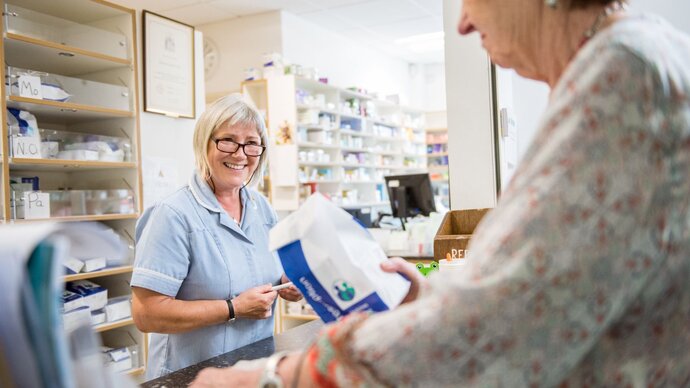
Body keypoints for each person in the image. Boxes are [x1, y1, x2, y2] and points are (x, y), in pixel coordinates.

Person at [191, 0, 690, 386]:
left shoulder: (621, 74)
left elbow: (500, 330)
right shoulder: (641, 53)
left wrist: (285, 376)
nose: (464, 24)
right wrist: (428, 295)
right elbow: (560, 284)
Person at [130, 94, 302, 379]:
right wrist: (233, 308)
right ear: (204, 143)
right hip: (190, 376)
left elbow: (269, 273)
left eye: (251, 143)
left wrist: (286, 285)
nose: (240, 154)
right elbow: (146, 313)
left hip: (250, 371)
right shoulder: (172, 214)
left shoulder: (262, 208)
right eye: (228, 140)